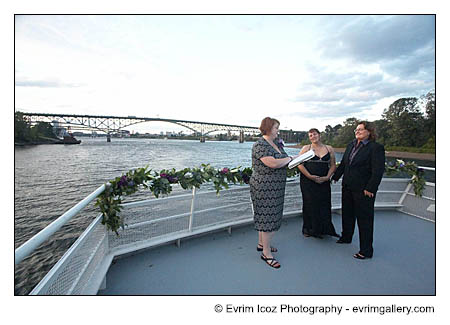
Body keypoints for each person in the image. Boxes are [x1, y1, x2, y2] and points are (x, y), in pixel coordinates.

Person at [332, 121, 385, 260]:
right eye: (356, 129)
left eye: (361, 129)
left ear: (369, 132)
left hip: (363, 190)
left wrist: (371, 188)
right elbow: (344, 164)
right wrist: (335, 177)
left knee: (365, 220)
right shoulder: (351, 145)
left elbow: (378, 171)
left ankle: (366, 251)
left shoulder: (376, 148)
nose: (357, 131)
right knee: (347, 214)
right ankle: (346, 237)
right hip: (348, 186)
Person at [250, 117, 298, 269]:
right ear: (269, 128)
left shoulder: (276, 144)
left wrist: (296, 158)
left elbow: (283, 160)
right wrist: (290, 158)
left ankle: (261, 244)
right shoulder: (260, 144)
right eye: (277, 127)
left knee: (268, 216)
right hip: (264, 188)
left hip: (276, 187)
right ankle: (266, 253)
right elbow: (273, 163)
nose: (278, 130)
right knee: (267, 217)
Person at [297, 128, 339, 239]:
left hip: (324, 181)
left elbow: (333, 165)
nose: (313, 137)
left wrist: (327, 177)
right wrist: (310, 176)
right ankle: (309, 229)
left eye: (314, 134)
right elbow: (299, 164)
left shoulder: (328, 148)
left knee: (324, 204)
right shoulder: (306, 148)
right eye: (310, 135)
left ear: (319, 135)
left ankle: (324, 229)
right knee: (309, 204)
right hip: (308, 181)